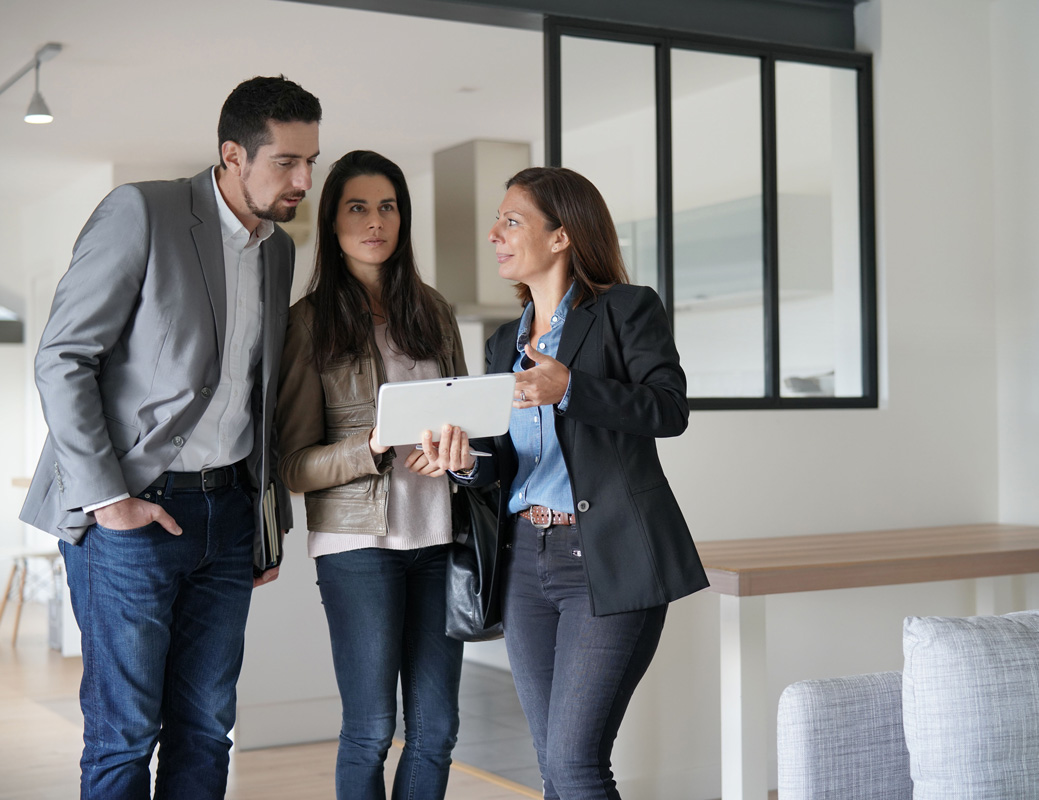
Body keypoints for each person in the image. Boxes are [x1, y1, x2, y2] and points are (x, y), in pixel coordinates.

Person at [19, 76, 321, 798]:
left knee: (208, 729)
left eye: (312, 160)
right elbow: (63, 359)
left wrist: (262, 519)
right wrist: (109, 500)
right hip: (132, 515)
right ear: (231, 155)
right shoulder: (144, 212)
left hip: (226, 515)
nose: (304, 179)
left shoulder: (277, 252)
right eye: (285, 161)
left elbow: (253, 396)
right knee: (125, 735)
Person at [423, 166, 710, 800]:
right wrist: (466, 462)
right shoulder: (504, 343)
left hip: (605, 557)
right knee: (553, 765)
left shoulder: (626, 311)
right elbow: (503, 463)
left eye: (512, 220)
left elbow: (669, 409)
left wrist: (572, 388)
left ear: (561, 236)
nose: (494, 232)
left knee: (577, 765)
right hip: (526, 559)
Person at [274, 150, 467, 800]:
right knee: (372, 728)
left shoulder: (434, 313)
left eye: (388, 206)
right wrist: (374, 445)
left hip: (439, 542)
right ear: (332, 220)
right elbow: (294, 466)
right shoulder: (309, 324)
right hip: (359, 551)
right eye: (358, 206)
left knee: (437, 729)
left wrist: (461, 451)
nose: (375, 221)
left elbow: (470, 423)